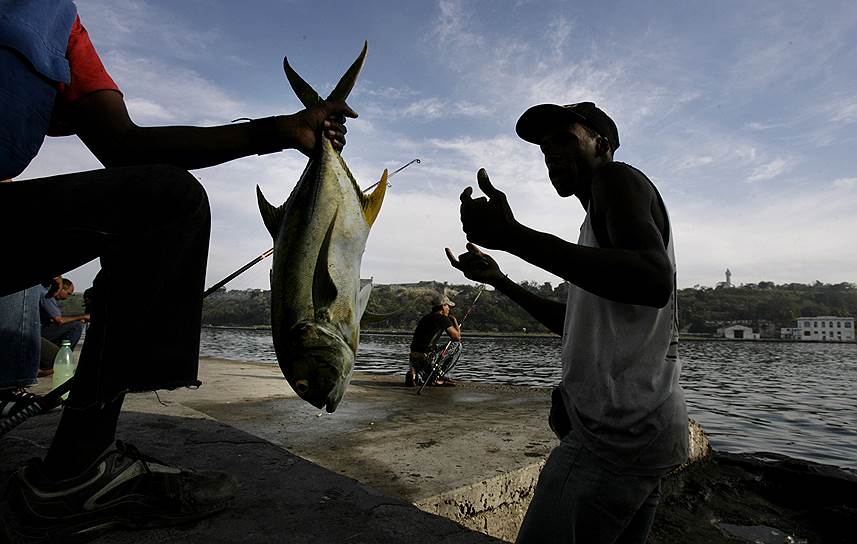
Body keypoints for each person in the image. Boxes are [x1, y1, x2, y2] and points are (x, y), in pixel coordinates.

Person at [0, 1, 357, 541]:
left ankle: (78, 468)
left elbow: (126, 146)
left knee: (168, 199)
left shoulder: (61, 28)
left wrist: (282, 131)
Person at [445, 101, 687, 543]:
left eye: (565, 139)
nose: (551, 152)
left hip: (615, 437)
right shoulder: (598, 224)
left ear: (603, 145)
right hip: (646, 432)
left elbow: (653, 282)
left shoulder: (616, 178)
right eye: (544, 146)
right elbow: (572, 322)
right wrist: (501, 280)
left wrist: (513, 236)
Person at [406, 295, 461, 387]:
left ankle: (416, 375)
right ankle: (442, 377)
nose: (449, 309)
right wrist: (454, 321)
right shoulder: (441, 318)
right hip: (427, 356)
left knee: (424, 376)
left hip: (414, 356)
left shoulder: (425, 318)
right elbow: (457, 337)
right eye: (448, 306)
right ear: (443, 306)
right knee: (457, 346)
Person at [40, 278, 89, 350]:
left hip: (43, 329)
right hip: (40, 331)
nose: (67, 297)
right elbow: (59, 321)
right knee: (76, 326)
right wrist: (83, 316)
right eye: (68, 293)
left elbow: (55, 319)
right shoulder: (47, 296)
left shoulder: (47, 295)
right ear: (61, 288)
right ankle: (65, 353)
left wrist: (79, 318)